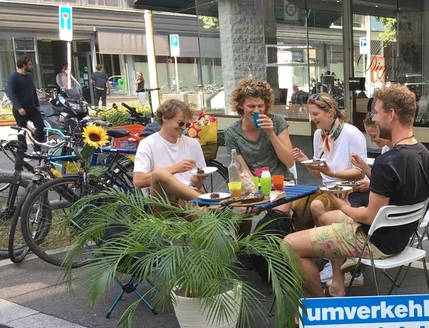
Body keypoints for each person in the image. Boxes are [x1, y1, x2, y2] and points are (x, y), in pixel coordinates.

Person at [284, 83, 429, 298]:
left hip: (373, 241)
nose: (373, 118)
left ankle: (320, 309)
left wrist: (341, 204)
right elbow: (395, 189)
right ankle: (338, 281)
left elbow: (368, 215)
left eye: (376, 112)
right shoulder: (425, 155)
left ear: (391, 115)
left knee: (290, 244)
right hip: (399, 237)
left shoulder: (387, 160)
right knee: (326, 218)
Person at [291, 92, 367, 228]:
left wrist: (332, 173)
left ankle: (321, 243)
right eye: (311, 114)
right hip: (328, 187)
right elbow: (320, 173)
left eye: (315, 114)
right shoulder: (318, 134)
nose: (312, 118)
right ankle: (299, 241)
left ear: (330, 113)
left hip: (349, 189)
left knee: (316, 205)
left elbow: (361, 172)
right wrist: (305, 160)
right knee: (298, 204)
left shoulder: (351, 133)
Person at [223, 78, 294, 214]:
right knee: (243, 212)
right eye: (251, 106)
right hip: (253, 185)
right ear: (240, 106)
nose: (257, 111)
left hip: (281, 183)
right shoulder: (232, 132)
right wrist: (254, 195)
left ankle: (270, 235)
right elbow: (242, 168)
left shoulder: (277, 121)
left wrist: (271, 133)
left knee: (278, 212)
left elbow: (289, 162)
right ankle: (244, 236)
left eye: (260, 106)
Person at [133, 99, 206, 203]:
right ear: (165, 117)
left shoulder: (193, 143)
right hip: (166, 201)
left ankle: (205, 202)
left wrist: (196, 181)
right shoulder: (148, 144)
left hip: (192, 197)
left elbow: (197, 185)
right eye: (181, 123)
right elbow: (138, 181)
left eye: (187, 125)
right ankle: (207, 201)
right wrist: (176, 169)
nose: (184, 128)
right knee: (159, 173)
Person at [7, 55, 45, 146]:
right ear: (24, 65)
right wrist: (19, 107)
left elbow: (33, 91)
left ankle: (37, 149)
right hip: (20, 110)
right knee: (22, 131)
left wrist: (37, 104)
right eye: (30, 64)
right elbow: (12, 94)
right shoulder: (13, 78)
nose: (31, 66)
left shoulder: (28, 77)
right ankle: (22, 153)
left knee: (41, 126)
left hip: (32, 108)